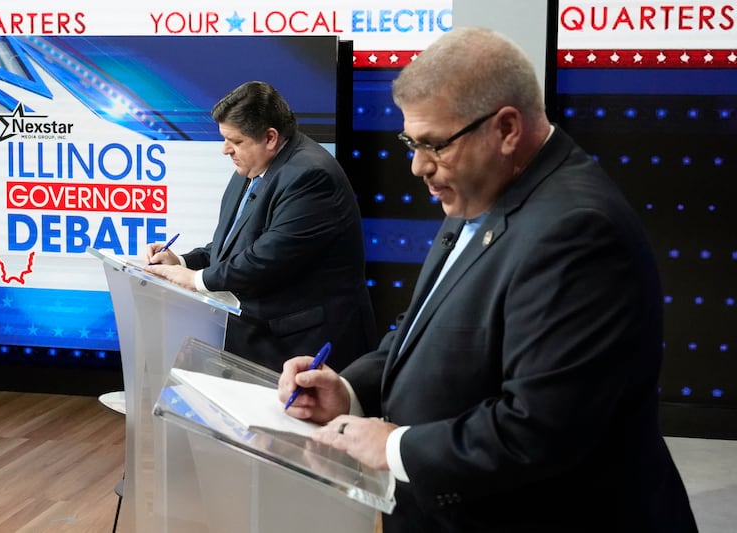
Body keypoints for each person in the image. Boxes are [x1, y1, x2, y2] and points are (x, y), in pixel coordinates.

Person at [279, 27, 698, 532]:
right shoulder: (479, 189)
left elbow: (538, 429)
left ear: (505, 129)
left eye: (434, 144)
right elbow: (422, 328)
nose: (417, 166)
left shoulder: (579, 232)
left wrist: (392, 445)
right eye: (411, 142)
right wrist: (347, 391)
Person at [145, 81, 376, 373]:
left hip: (305, 347)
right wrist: (181, 261)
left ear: (269, 137)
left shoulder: (311, 176)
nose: (225, 150)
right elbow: (234, 243)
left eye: (236, 141)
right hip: (262, 341)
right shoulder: (253, 167)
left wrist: (194, 279)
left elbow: (266, 258)